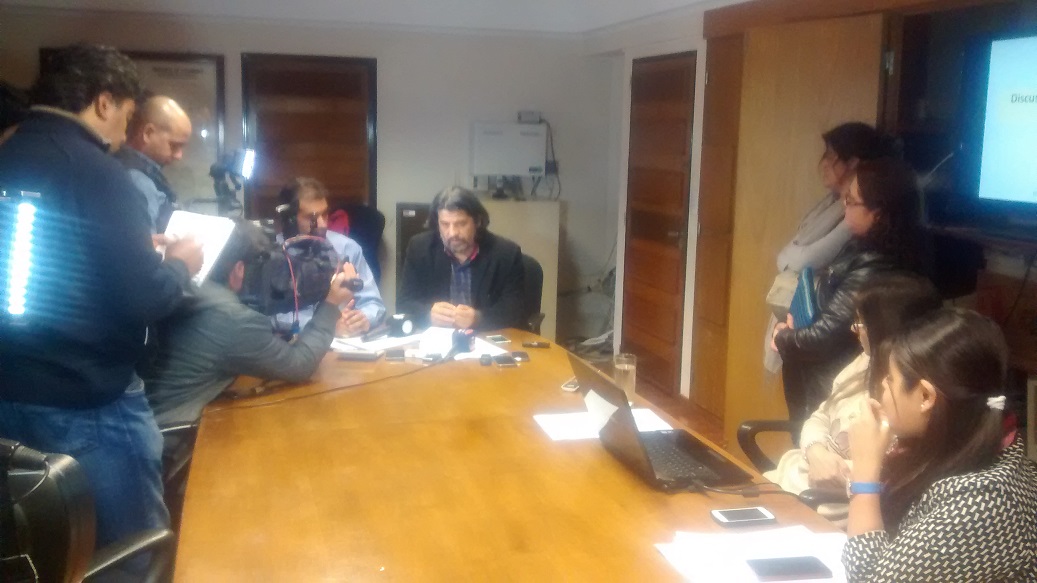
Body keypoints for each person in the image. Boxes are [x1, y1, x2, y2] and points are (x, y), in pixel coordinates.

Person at [0, 43, 202, 571]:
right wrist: (181, 264)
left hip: (10, 397)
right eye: (128, 117)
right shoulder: (98, 173)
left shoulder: (8, 155)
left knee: (42, 553)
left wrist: (129, 251)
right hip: (88, 406)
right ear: (104, 102)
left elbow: (43, 262)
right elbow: (147, 297)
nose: (123, 133)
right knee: (130, 555)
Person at [843, 308, 1037, 581]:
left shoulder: (983, 502)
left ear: (925, 396)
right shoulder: (958, 445)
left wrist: (865, 475)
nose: (882, 387)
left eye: (890, 379)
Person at [763, 272, 940, 525]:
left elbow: (880, 473)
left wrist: (833, 469)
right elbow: (820, 416)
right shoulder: (863, 362)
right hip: (792, 479)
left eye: (861, 322)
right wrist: (815, 451)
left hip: (827, 509)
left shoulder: (906, 397)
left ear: (885, 326)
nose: (853, 329)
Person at [142, 220, 356, 428]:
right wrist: (331, 304)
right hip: (176, 434)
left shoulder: (173, 288)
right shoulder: (232, 318)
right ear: (239, 269)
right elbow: (300, 365)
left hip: (144, 423)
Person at [773, 158, 922, 433]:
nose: (845, 207)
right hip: (822, 382)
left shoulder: (875, 268)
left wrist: (782, 336)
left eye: (852, 202)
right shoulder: (863, 248)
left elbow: (823, 338)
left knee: (810, 446)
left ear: (878, 213)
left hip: (832, 390)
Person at [765, 123, 895, 373]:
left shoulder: (860, 242)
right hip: (803, 337)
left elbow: (801, 262)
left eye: (831, 156)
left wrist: (785, 338)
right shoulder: (830, 203)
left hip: (820, 350)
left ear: (853, 162)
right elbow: (786, 258)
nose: (823, 163)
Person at [398, 186, 526, 330]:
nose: (452, 233)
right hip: (438, 337)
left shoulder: (506, 254)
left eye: (461, 224)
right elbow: (404, 303)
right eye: (445, 224)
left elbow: (514, 311)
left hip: (484, 336)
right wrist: (428, 314)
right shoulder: (420, 248)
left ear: (477, 221)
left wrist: (478, 318)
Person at [272, 177, 385, 337]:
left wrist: (363, 318)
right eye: (311, 218)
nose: (323, 224)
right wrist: (328, 325)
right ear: (290, 219)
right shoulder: (271, 254)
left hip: (346, 342)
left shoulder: (347, 248)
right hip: (294, 342)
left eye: (324, 214)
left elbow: (373, 303)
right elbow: (270, 315)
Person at [114, 94, 192, 233]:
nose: (179, 155)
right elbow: (144, 245)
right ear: (148, 133)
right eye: (174, 145)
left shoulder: (123, 167)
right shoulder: (137, 180)